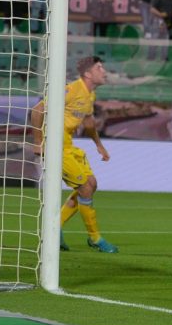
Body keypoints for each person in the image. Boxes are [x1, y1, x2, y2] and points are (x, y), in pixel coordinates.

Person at [31, 56, 117, 253]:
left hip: (68, 146)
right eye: (99, 68)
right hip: (55, 147)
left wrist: (99, 145)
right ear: (88, 74)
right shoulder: (70, 90)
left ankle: (56, 228)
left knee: (91, 184)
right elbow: (37, 110)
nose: (104, 72)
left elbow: (88, 123)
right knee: (85, 188)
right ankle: (95, 238)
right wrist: (38, 141)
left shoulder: (90, 95)